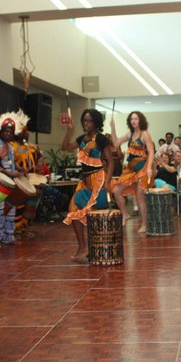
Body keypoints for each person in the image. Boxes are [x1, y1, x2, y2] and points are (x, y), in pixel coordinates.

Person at [62, 109, 113, 261]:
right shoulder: (82, 139)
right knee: (73, 211)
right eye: (84, 120)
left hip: (98, 180)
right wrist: (70, 130)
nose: (85, 123)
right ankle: (82, 247)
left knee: (91, 214)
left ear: (96, 122)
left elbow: (110, 162)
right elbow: (64, 147)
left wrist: (108, 181)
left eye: (89, 120)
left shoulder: (101, 139)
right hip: (84, 181)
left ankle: (94, 248)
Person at [110, 111, 155, 233]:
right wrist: (112, 128)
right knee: (116, 190)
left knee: (140, 196)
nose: (133, 121)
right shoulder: (129, 134)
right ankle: (125, 214)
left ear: (140, 120)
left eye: (136, 119)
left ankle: (145, 224)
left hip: (142, 168)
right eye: (131, 119)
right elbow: (116, 143)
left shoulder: (144, 134)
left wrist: (149, 167)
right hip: (130, 169)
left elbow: (151, 152)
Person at [0, 112, 24, 248]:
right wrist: (6, 171)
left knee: (11, 209)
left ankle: (8, 237)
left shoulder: (10, 147)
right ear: (2, 132)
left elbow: (13, 162)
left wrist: (20, 169)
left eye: (10, 131)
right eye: (6, 131)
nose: (8, 134)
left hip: (10, 183)